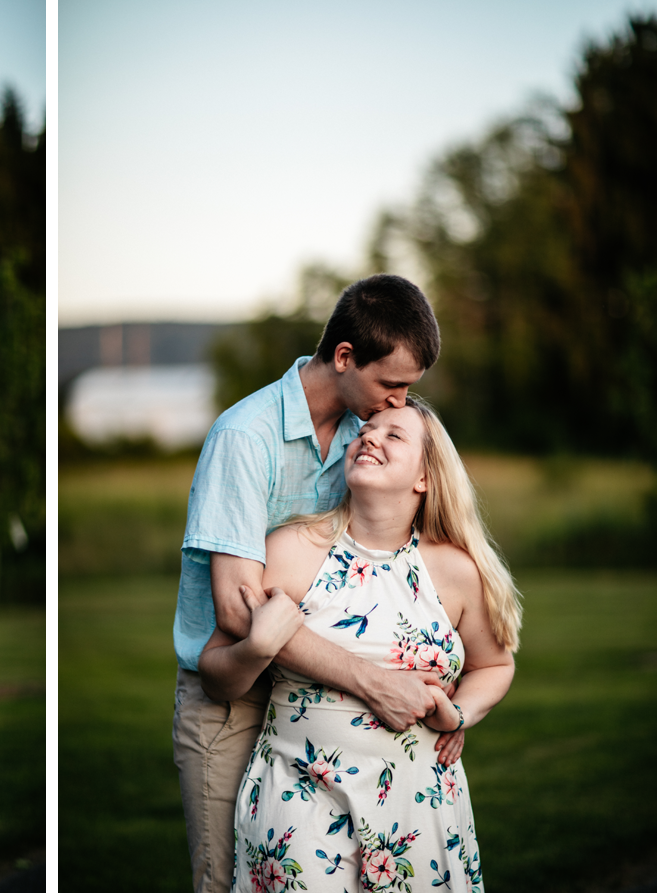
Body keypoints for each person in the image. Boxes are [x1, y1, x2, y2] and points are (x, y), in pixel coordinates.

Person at [172, 274, 465, 893]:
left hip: (319, 701)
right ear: (343, 357)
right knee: (226, 879)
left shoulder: (365, 436)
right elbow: (237, 610)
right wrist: (372, 680)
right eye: (392, 384)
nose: (398, 403)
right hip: (232, 694)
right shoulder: (244, 437)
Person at [201, 397, 521, 892]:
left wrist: (456, 715)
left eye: (394, 435)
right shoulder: (289, 552)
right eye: (367, 428)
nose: (368, 436)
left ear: (425, 477)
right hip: (302, 805)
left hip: (418, 808)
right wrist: (255, 648)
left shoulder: (456, 572)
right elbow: (216, 675)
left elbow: (494, 665)